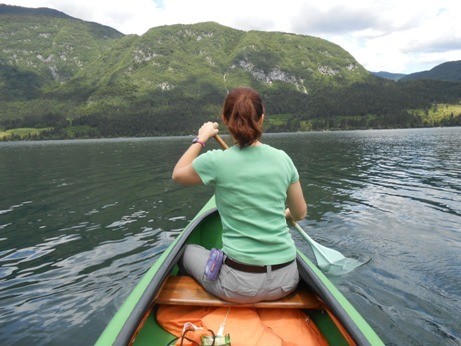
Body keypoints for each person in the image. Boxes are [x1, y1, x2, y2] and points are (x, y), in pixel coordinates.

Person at [172, 87, 307, 303]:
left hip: (239, 287)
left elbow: (178, 174)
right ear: (262, 118)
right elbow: (299, 213)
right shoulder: (283, 159)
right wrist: (288, 215)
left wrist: (201, 138)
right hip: (287, 280)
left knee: (185, 250)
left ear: (225, 119)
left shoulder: (217, 161)